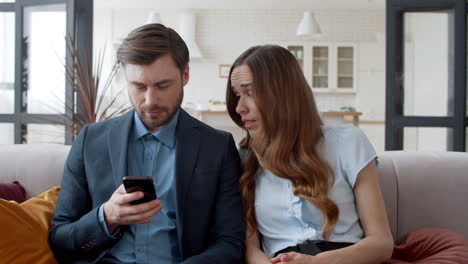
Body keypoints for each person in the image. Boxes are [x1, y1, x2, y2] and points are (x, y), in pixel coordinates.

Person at [49, 23, 245, 264]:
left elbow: (231, 242)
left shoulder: (217, 146)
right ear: (125, 78)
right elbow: (60, 240)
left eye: (163, 85)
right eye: (139, 86)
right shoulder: (91, 141)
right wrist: (107, 216)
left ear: (185, 75)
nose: (150, 100)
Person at [225, 45, 394, 264]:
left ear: (284, 94)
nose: (239, 107)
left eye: (250, 93)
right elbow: (251, 249)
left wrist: (315, 262)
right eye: (238, 95)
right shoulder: (246, 159)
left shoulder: (348, 141)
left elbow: (381, 243)